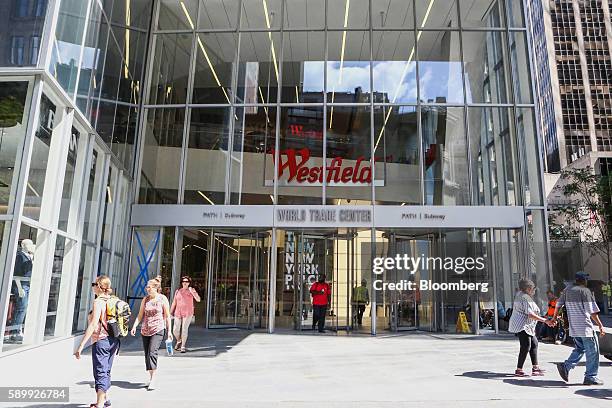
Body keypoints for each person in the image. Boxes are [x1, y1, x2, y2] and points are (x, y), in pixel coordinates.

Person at [553, 271, 606, 386]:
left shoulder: (567, 290)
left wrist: (554, 318)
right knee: (593, 352)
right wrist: (600, 325)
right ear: (584, 280)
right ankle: (590, 377)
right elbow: (592, 311)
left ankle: (565, 366)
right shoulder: (585, 291)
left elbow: (558, 304)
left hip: (574, 327)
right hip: (585, 327)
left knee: (580, 349)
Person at [74, 276, 120, 408]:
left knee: (100, 371)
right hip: (113, 340)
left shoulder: (98, 302)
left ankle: (99, 404)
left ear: (99, 286)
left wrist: (81, 345)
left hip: (101, 340)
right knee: (106, 370)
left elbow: (94, 324)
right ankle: (104, 398)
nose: (92, 286)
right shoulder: (112, 299)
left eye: (94, 284)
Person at [130, 277, 173, 390]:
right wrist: (134, 326)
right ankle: (150, 377)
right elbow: (140, 315)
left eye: (149, 287)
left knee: (152, 353)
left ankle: (153, 379)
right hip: (145, 330)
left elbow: (168, 316)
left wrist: (169, 331)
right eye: (147, 287)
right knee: (147, 355)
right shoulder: (146, 299)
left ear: (156, 288)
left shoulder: (162, 299)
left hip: (158, 329)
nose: (147, 289)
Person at [508, 279, 551, 377]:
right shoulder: (525, 297)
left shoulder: (520, 294)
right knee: (526, 346)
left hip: (527, 326)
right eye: (533, 289)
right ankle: (519, 369)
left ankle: (535, 368)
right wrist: (545, 321)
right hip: (523, 325)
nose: (534, 291)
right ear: (528, 289)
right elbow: (530, 314)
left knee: (534, 344)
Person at [9, 239, 35, 342]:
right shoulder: (20, 256)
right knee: (21, 308)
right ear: (23, 245)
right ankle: (14, 333)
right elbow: (16, 273)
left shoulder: (29, 257)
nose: (31, 246)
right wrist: (19, 288)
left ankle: (17, 330)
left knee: (23, 308)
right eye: (29, 244)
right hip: (21, 285)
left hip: (27, 285)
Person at [170, 276, 201, 353]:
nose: (185, 282)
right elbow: (174, 302)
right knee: (175, 330)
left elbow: (198, 299)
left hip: (188, 313)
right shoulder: (178, 291)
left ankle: (183, 346)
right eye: (183, 281)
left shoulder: (191, 290)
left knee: (184, 329)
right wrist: (170, 312)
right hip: (178, 312)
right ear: (181, 282)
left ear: (189, 283)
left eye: (187, 281)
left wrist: (193, 292)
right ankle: (179, 340)